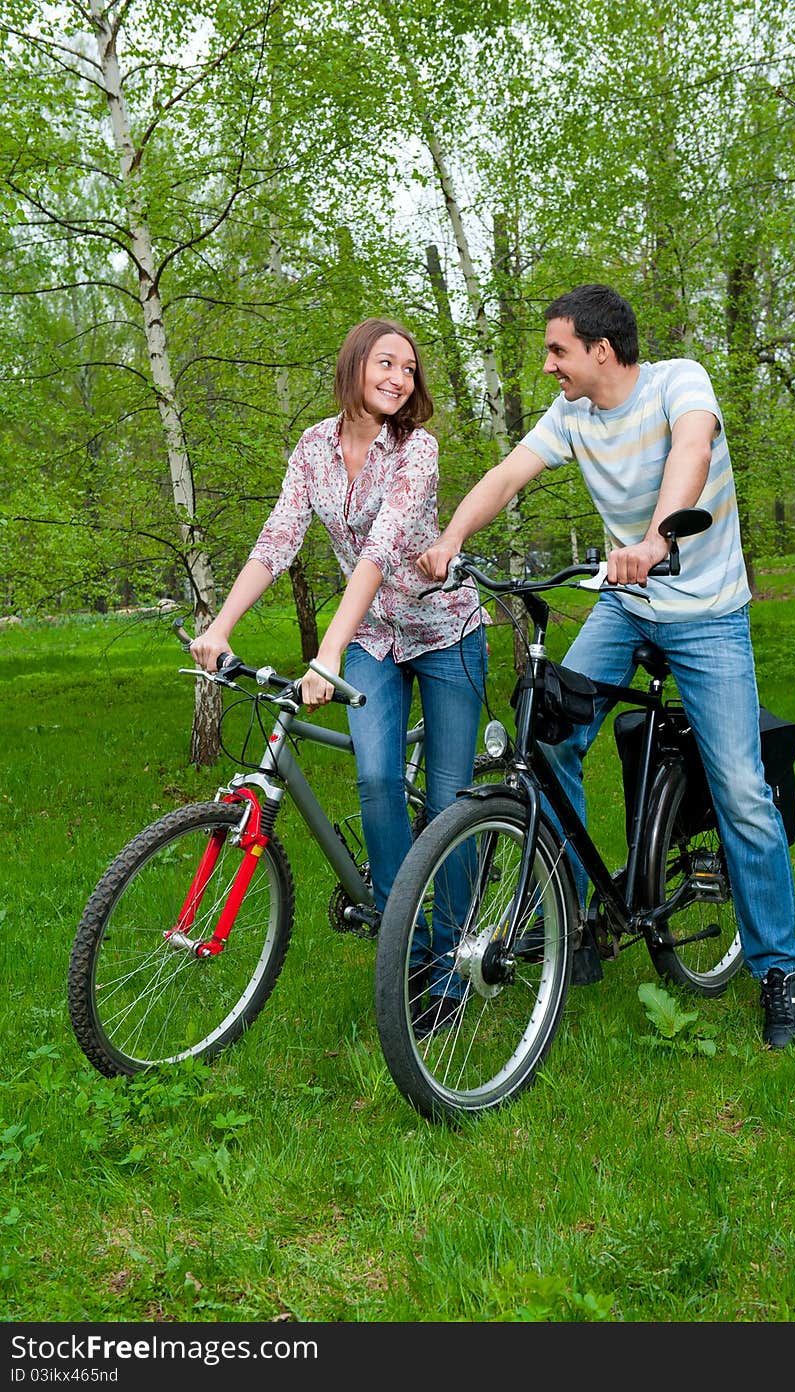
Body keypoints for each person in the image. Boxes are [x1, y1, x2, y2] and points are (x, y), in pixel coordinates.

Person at [417, 283, 795, 1049]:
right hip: (627, 605)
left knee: (738, 785)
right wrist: (450, 537)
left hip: (706, 615)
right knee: (550, 734)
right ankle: (574, 918)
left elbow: (691, 453)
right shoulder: (572, 415)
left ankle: (779, 971)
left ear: (602, 349)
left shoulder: (678, 382)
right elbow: (506, 476)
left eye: (557, 350)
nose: (547, 366)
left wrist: (658, 541)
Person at [191, 317, 489, 1035]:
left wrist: (325, 653)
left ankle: (451, 961)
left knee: (447, 801)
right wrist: (220, 626)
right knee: (378, 781)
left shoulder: (419, 450)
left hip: (445, 634)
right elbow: (278, 540)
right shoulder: (312, 447)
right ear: (355, 364)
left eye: (409, 369)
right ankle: (407, 944)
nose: (398, 378)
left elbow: (379, 555)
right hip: (375, 640)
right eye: (386, 363)